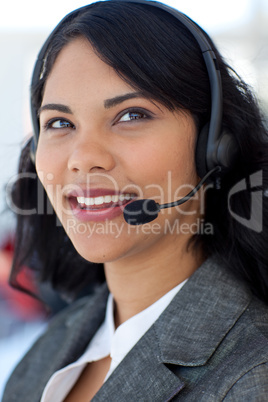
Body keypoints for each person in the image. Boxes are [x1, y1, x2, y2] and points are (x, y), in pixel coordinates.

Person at [3, 0, 268, 400]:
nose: (83, 158)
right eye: (60, 123)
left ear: (214, 146)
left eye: (131, 115)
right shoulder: (51, 349)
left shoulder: (252, 375)